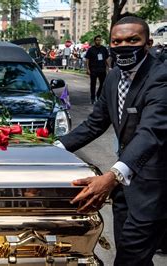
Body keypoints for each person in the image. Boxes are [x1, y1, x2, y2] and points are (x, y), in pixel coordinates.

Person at [56, 16, 167, 266]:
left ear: (148, 43)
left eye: (132, 40)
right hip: (124, 192)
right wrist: (54, 148)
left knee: (130, 259)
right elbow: (94, 124)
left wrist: (112, 176)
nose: (123, 45)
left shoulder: (161, 78)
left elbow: (150, 133)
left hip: (155, 189)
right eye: (116, 41)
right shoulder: (114, 76)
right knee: (133, 256)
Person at [85, 35, 110, 104]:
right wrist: (87, 69)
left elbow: (107, 59)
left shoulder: (104, 49)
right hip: (93, 69)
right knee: (93, 84)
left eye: (99, 40)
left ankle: (98, 96)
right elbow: (87, 59)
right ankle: (92, 98)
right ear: (94, 41)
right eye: (97, 40)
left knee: (103, 84)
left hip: (102, 69)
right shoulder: (91, 49)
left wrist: (109, 67)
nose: (98, 41)